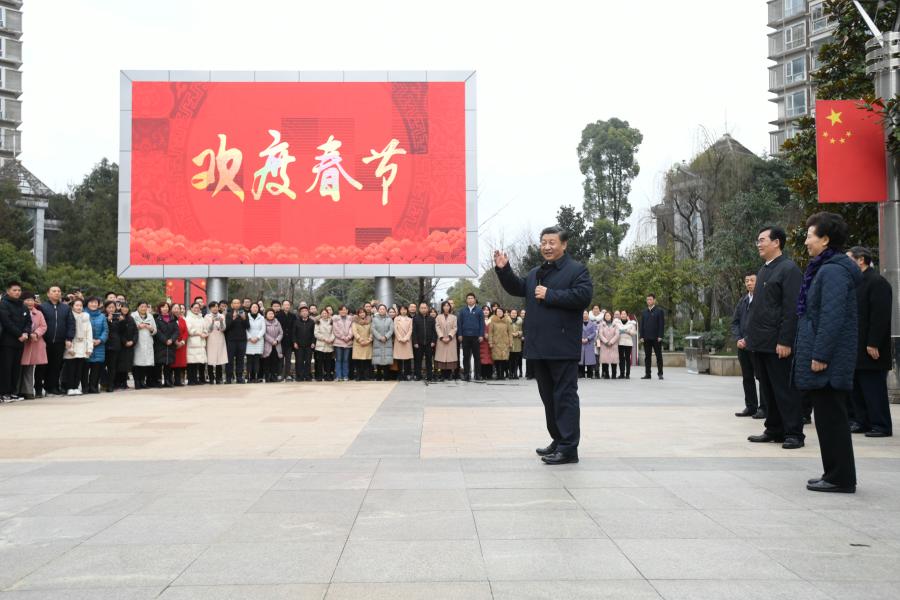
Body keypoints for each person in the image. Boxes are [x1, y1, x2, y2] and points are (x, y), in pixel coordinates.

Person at [494, 225, 593, 465]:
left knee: (565, 397)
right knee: (549, 397)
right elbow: (518, 287)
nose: (547, 247)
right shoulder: (536, 272)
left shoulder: (576, 270)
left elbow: (583, 296)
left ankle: (569, 448)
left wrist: (550, 294)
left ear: (564, 244)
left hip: (562, 347)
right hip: (539, 347)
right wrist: (504, 270)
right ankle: (558, 439)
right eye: (543, 243)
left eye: (552, 242)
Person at [794, 212, 860, 493]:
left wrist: (820, 355)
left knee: (832, 419)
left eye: (810, 235)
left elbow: (831, 318)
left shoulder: (832, 271)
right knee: (827, 418)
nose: (806, 241)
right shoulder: (826, 268)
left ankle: (840, 478)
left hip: (829, 361)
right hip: (828, 358)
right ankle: (833, 473)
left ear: (825, 240)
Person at [746, 225, 805, 450]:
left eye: (762, 240)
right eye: (758, 240)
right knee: (768, 390)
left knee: (785, 390)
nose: (758, 244)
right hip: (761, 343)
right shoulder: (764, 270)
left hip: (778, 343)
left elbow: (792, 309)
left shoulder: (789, 269)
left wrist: (785, 340)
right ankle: (774, 429)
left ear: (776, 242)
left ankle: (794, 433)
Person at [847, 246, 893, 437]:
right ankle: (862, 421)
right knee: (858, 388)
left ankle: (881, 425)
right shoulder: (856, 282)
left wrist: (873, 342)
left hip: (871, 347)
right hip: (855, 347)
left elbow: (880, 316)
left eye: (849, 259)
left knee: (873, 388)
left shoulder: (877, 282)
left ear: (861, 260)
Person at [731, 274, 762, 418]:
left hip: (757, 346)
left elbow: (761, 323)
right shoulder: (742, 301)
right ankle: (751, 406)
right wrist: (738, 339)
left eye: (752, 280)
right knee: (747, 377)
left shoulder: (762, 300)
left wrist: (748, 339)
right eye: (747, 281)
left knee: (761, 377)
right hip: (742, 347)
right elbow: (735, 322)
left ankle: (764, 408)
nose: (749, 283)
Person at [38, 285, 73, 396]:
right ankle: (40, 388)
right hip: (44, 341)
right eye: (54, 291)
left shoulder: (66, 308)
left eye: (58, 291)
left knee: (56, 366)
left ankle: (53, 387)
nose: (57, 293)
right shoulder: (42, 307)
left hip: (60, 341)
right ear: (48, 294)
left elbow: (70, 324)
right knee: (42, 366)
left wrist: (69, 338)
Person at [0, 281, 31, 401]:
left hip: (20, 341)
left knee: (16, 368)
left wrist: (26, 333)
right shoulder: (3, 304)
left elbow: (28, 322)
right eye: (14, 290)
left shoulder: (23, 305)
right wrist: (19, 334)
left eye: (19, 290)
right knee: (6, 368)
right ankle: (4, 393)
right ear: (8, 291)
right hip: (7, 341)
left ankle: (13, 391)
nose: (17, 292)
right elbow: (6, 322)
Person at [18, 292, 47, 400]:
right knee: (18, 368)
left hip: (34, 343)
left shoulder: (38, 313)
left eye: (32, 300)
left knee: (30, 368)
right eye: (27, 300)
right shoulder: (18, 311)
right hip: (21, 342)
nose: (30, 302)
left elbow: (43, 326)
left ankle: (28, 391)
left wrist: (36, 333)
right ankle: (16, 391)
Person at [62, 298, 92, 395]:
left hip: (82, 346)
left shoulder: (86, 317)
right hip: (72, 345)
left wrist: (89, 348)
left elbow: (89, 333)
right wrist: (69, 348)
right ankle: (69, 387)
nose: (79, 307)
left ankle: (76, 387)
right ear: (72, 306)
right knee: (70, 369)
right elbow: (67, 333)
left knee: (79, 369)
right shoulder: (69, 316)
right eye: (77, 305)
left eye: (81, 305)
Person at [457, 293, 484, 381]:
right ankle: (466, 374)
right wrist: (460, 334)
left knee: (477, 356)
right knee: (466, 356)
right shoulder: (462, 311)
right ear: (466, 300)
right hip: (465, 336)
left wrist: (481, 335)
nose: (470, 300)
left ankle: (477, 374)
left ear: (475, 299)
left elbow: (482, 324)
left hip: (476, 336)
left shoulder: (479, 310)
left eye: (472, 298)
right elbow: (459, 323)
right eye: (468, 298)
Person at [84, 297, 108, 394]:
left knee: (97, 367)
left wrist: (100, 340)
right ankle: (85, 387)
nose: (94, 304)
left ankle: (93, 386)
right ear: (87, 303)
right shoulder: (83, 314)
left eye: (95, 303)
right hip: (85, 345)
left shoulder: (102, 316)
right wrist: (89, 341)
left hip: (99, 345)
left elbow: (105, 330)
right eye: (91, 302)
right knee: (85, 368)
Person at [132, 302, 156, 389]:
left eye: (145, 307)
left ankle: (142, 381)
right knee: (137, 363)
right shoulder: (133, 316)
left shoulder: (150, 316)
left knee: (145, 363)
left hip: (147, 341)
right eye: (142, 306)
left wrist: (151, 328)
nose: (144, 308)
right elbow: (130, 328)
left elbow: (155, 330)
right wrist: (138, 326)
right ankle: (137, 382)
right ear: (138, 307)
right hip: (138, 341)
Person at [640, 294, 665, 380]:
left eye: (650, 299)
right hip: (646, 338)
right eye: (647, 300)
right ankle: (648, 374)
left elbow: (661, 324)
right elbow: (642, 325)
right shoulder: (644, 312)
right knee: (647, 357)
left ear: (654, 300)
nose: (649, 301)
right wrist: (641, 336)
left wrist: (660, 335)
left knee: (659, 356)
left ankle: (660, 373)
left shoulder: (659, 311)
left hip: (656, 338)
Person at [103, 300, 125, 393]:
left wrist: (122, 321)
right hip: (104, 344)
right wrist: (108, 320)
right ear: (105, 308)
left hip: (115, 344)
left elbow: (122, 331)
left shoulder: (118, 318)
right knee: (101, 366)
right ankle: (104, 383)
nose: (111, 309)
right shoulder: (103, 317)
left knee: (112, 366)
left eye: (113, 307)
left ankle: (110, 385)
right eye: (109, 307)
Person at [225, 298, 248, 384]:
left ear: (240, 304)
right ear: (231, 305)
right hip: (231, 340)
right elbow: (226, 327)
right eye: (234, 303)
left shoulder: (244, 313)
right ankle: (228, 378)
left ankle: (239, 377)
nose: (236, 305)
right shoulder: (228, 314)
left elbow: (247, 326)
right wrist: (233, 318)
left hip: (242, 340)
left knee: (240, 360)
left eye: (238, 303)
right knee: (229, 360)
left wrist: (244, 319)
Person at [185, 302, 209, 385]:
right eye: (195, 308)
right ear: (191, 308)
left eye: (198, 308)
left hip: (201, 342)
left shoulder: (201, 317)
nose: (196, 309)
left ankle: (195, 379)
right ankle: (191, 380)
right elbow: (189, 330)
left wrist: (205, 333)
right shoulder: (188, 318)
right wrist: (199, 333)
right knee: (191, 362)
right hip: (192, 342)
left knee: (197, 362)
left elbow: (205, 328)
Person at [204, 302, 227, 384]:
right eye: (213, 307)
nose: (215, 308)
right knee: (211, 359)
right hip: (211, 338)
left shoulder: (222, 316)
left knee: (219, 359)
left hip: (220, 338)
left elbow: (223, 329)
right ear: (210, 308)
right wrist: (213, 322)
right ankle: (211, 378)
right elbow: (208, 329)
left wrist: (221, 322)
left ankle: (218, 378)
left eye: (216, 306)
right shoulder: (207, 317)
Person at [435, 301, 458, 381]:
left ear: (450, 307)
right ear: (442, 307)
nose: (446, 307)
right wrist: (441, 337)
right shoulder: (438, 317)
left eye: (448, 306)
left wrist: (450, 336)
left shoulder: (454, 317)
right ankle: (442, 375)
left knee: (450, 358)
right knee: (441, 357)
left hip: (451, 340)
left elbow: (455, 328)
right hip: (441, 340)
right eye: (444, 306)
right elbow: (437, 327)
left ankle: (449, 374)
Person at [371, 304, 395, 381]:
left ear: (386, 310)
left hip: (387, 341)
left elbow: (391, 330)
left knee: (386, 359)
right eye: (380, 309)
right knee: (378, 359)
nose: (382, 310)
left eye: (383, 309)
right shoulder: (374, 319)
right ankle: (378, 376)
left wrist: (386, 337)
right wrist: (379, 337)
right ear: (378, 310)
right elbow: (373, 329)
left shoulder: (389, 319)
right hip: (378, 341)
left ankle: (386, 376)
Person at [292, 306, 316, 382]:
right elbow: (293, 333)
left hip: (309, 345)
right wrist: (294, 342)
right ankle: (299, 376)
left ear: (308, 312)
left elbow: (314, 333)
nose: (304, 312)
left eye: (306, 311)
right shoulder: (296, 322)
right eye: (302, 311)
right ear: (300, 313)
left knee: (308, 361)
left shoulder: (312, 322)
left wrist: (313, 342)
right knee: (299, 361)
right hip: (299, 345)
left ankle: (307, 376)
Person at [117, 304, 137, 390]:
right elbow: (119, 332)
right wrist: (125, 341)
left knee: (127, 365)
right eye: (123, 307)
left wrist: (133, 341)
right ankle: (119, 383)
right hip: (121, 345)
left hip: (130, 345)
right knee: (120, 365)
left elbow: (136, 331)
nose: (125, 309)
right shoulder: (118, 317)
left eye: (126, 307)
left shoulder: (131, 318)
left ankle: (125, 383)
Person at [489, 307, 512, 380]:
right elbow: (490, 333)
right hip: (496, 343)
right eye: (498, 311)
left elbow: (510, 332)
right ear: (495, 313)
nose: (499, 313)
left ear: (503, 312)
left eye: (501, 311)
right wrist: (490, 342)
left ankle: (502, 375)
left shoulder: (507, 321)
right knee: (497, 360)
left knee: (504, 360)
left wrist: (510, 342)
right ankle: (498, 375)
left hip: (505, 343)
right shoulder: (493, 321)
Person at [332, 305, 354, 382]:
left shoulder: (350, 319)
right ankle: (338, 376)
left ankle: (345, 376)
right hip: (338, 342)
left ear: (347, 311)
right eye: (341, 310)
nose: (343, 311)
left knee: (346, 360)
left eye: (345, 310)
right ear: (339, 311)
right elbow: (335, 330)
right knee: (338, 359)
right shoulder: (335, 319)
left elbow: (352, 329)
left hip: (348, 342)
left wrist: (348, 337)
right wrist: (343, 337)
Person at [277, 300, 297, 381]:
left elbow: (294, 329)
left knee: (288, 359)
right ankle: (280, 374)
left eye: (288, 305)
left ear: (290, 306)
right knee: (280, 359)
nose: (287, 306)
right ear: (282, 306)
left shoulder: (293, 316)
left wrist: (294, 340)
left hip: (289, 341)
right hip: (280, 341)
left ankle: (288, 374)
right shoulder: (278, 315)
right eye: (285, 305)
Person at [262, 308, 284, 383]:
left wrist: (277, 340)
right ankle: (267, 377)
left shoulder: (277, 322)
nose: (271, 315)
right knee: (267, 362)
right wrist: (272, 341)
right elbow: (264, 333)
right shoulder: (263, 322)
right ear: (266, 315)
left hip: (276, 345)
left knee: (275, 362)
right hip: (267, 345)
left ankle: (274, 376)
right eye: (269, 314)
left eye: (272, 314)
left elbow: (281, 333)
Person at [351, 307, 373, 381]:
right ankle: (358, 376)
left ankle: (366, 376)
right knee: (358, 361)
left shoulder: (369, 322)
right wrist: (360, 340)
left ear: (365, 313)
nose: (362, 314)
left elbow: (372, 332)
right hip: (358, 344)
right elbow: (355, 332)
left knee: (367, 361)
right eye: (360, 313)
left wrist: (369, 340)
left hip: (367, 343)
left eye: (363, 312)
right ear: (358, 314)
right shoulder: (355, 322)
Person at [598, 310, 621, 379]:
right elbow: (600, 334)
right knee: (605, 360)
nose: (607, 317)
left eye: (609, 315)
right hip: (604, 344)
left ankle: (614, 374)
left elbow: (617, 334)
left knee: (614, 360)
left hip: (613, 344)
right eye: (606, 316)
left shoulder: (615, 324)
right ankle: (606, 374)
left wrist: (611, 342)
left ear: (611, 316)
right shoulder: (602, 325)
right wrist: (606, 341)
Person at [245, 303, 265, 383]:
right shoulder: (246, 316)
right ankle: (249, 377)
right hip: (249, 341)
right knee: (249, 360)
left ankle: (256, 377)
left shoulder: (262, 317)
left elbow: (263, 329)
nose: (255, 309)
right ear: (250, 308)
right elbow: (245, 328)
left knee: (257, 360)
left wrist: (257, 337)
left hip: (258, 341)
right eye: (253, 307)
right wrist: (249, 338)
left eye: (256, 307)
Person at [393, 305, 414, 380]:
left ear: (407, 310)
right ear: (399, 311)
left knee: (407, 359)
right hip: (399, 341)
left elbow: (410, 329)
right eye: (402, 310)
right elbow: (395, 329)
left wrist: (406, 338)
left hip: (407, 341)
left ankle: (406, 374)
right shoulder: (396, 319)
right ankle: (400, 375)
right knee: (399, 359)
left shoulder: (410, 319)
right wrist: (400, 338)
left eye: (405, 310)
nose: (403, 311)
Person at [170, 304, 189, 386]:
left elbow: (186, 332)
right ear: (171, 309)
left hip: (181, 345)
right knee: (171, 364)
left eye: (178, 308)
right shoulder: (169, 319)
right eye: (175, 308)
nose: (177, 310)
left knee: (179, 364)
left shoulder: (182, 320)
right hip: (171, 344)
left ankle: (178, 381)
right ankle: (170, 380)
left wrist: (182, 342)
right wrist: (175, 341)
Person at [314, 308, 335, 381]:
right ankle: (319, 376)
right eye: (323, 313)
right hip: (321, 344)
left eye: (325, 313)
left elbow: (334, 332)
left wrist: (331, 339)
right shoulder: (318, 322)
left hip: (329, 344)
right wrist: (324, 339)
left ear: (328, 314)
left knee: (328, 362)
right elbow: (316, 333)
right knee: (320, 362)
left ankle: (328, 376)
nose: (324, 314)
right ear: (321, 314)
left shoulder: (331, 322)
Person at [617, 310, 636, 379]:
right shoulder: (617, 323)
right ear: (620, 315)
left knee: (627, 358)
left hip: (628, 343)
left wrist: (628, 331)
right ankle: (622, 374)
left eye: (624, 314)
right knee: (621, 358)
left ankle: (627, 374)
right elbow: (615, 331)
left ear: (627, 315)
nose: (623, 315)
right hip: (620, 342)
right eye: (622, 314)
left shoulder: (631, 323)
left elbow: (634, 333)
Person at [579, 310, 598, 378]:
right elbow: (576, 331)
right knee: (582, 359)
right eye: (583, 313)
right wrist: (581, 339)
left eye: (586, 313)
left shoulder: (592, 324)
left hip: (589, 342)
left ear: (588, 315)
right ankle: (581, 373)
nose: (585, 315)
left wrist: (588, 338)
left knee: (589, 359)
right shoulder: (579, 322)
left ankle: (590, 373)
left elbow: (594, 333)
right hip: (581, 342)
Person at [509, 309, 524, 379]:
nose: (513, 314)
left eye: (515, 313)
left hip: (517, 342)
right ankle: (510, 373)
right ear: (510, 314)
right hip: (510, 342)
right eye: (512, 313)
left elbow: (522, 330)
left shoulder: (520, 322)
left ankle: (515, 373)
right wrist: (511, 334)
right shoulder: (507, 321)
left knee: (516, 360)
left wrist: (518, 333)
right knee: (510, 359)